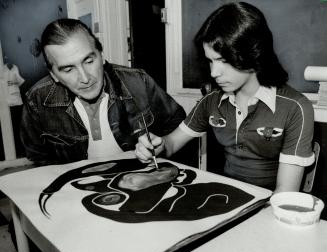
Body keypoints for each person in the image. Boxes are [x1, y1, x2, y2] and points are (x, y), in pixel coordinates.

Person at [135, 2, 315, 192]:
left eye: (223, 61)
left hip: (269, 209)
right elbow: (170, 144)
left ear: (254, 53)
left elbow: (284, 194)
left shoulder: (296, 108)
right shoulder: (212, 100)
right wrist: (156, 146)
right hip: (226, 198)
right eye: (210, 61)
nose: (214, 73)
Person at [20, 18, 186, 166]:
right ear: (54, 75)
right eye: (68, 69)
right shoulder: (37, 99)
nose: (85, 78)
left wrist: (162, 146)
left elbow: (179, 126)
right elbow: (39, 160)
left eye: (89, 61)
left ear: (102, 55)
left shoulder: (138, 82)